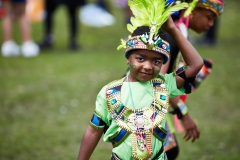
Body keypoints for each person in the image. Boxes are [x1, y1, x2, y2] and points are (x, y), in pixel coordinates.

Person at [77, 1, 203, 159]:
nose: (148, 66)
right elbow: (93, 131)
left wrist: (172, 29)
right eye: (141, 58)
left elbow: (196, 64)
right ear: (128, 58)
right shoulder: (109, 93)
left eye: (156, 61)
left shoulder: (163, 85)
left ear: (163, 63)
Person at [160, 0, 224, 159]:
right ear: (192, 10)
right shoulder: (172, 35)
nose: (210, 24)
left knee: (169, 152)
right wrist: (184, 114)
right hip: (138, 102)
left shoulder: (178, 33)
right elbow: (159, 83)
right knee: (166, 152)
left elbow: (166, 81)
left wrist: (191, 80)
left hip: (146, 100)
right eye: (209, 17)